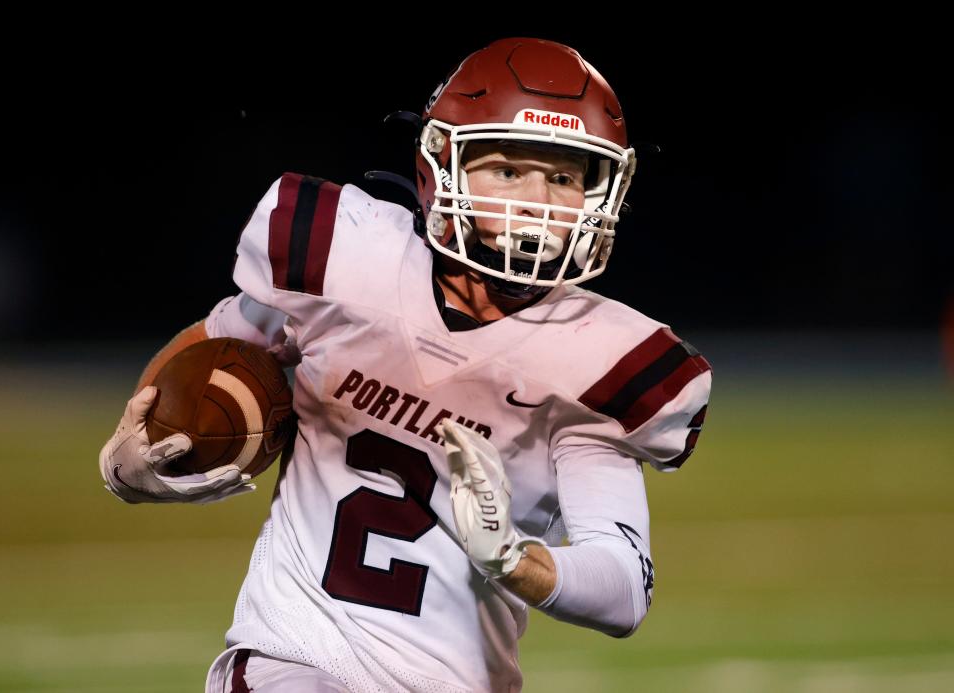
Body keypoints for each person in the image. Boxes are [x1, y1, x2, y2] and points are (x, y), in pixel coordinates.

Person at [99, 37, 712, 692]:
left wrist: (515, 560)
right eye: (508, 169)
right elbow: (210, 346)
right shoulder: (348, 259)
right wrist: (127, 459)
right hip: (296, 665)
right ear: (440, 164)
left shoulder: (600, 358)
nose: (538, 198)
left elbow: (622, 586)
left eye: (563, 176)